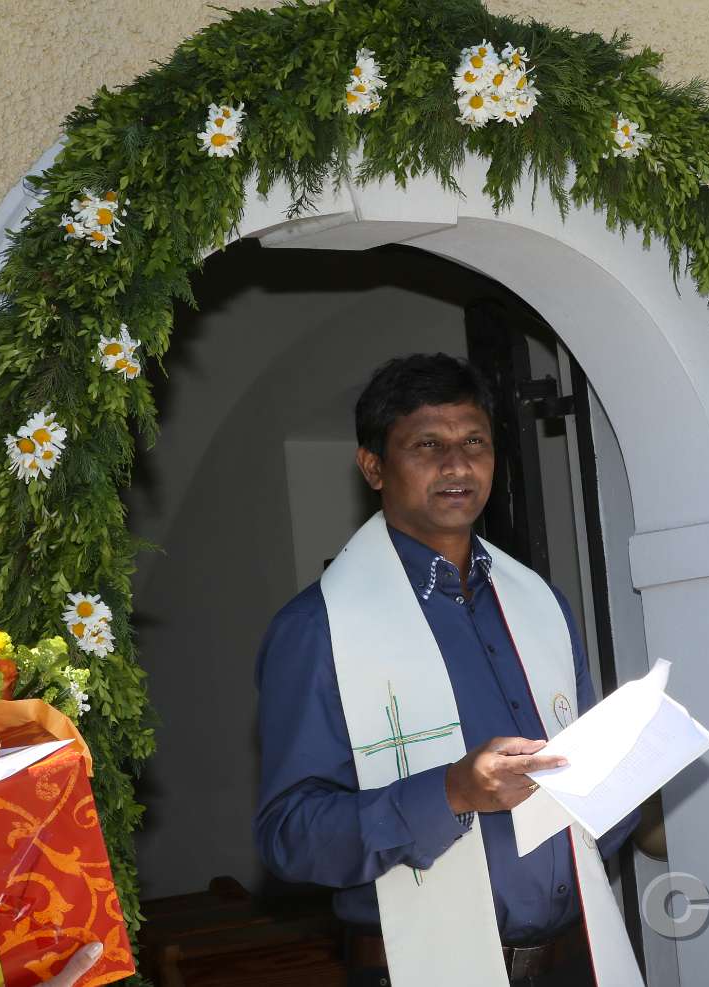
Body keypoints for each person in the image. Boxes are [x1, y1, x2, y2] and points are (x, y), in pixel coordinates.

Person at [254, 353, 641, 987]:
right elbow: (289, 837)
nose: (457, 465)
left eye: (474, 442)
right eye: (427, 445)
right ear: (374, 466)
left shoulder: (539, 602)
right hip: (421, 965)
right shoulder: (318, 628)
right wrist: (451, 794)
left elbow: (580, 785)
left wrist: (626, 773)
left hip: (574, 957)